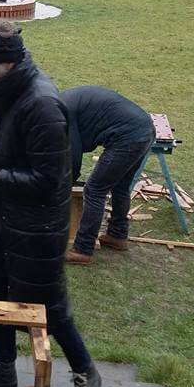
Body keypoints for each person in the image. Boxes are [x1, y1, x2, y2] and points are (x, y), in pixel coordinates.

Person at [0, 20, 101, 387]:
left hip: (38, 225)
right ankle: (2, 370)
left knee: (47, 305)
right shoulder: (7, 90)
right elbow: (13, 138)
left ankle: (85, 371)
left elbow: (50, 181)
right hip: (6, 215)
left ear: (7, 64)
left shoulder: (42, 104)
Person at [62, 86, 156, 265]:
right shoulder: (65, 101)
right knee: (120, 185)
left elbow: (72, 157)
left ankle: (83, 249)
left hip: (127, 138)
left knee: (94, 190)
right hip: (144, 129)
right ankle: (117, 235)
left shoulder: (61, 111)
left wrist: (66, 184)